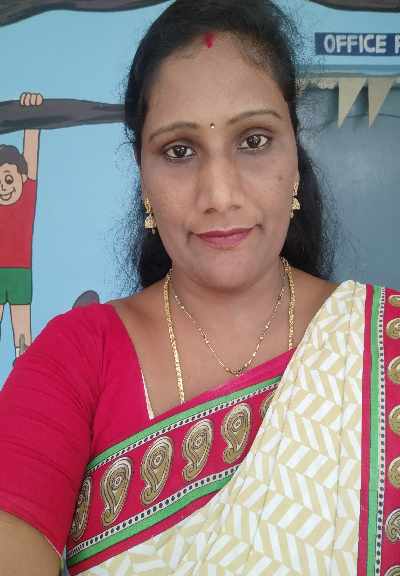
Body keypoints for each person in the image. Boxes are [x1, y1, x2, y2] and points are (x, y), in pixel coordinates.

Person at [0, 1, 399, 575]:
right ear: (142, 174)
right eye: (179, 151)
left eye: (254, 140)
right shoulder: (75, 360)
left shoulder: (385, 344)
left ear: (294, 155)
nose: (219, 194)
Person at [0, 92, 43, 360]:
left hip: (20, 274)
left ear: (22, 177)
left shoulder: (26, 195)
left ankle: (25, 369)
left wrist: (32, 116)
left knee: (23, 335)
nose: (3, 188)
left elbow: (30, 152)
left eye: (8, 179)